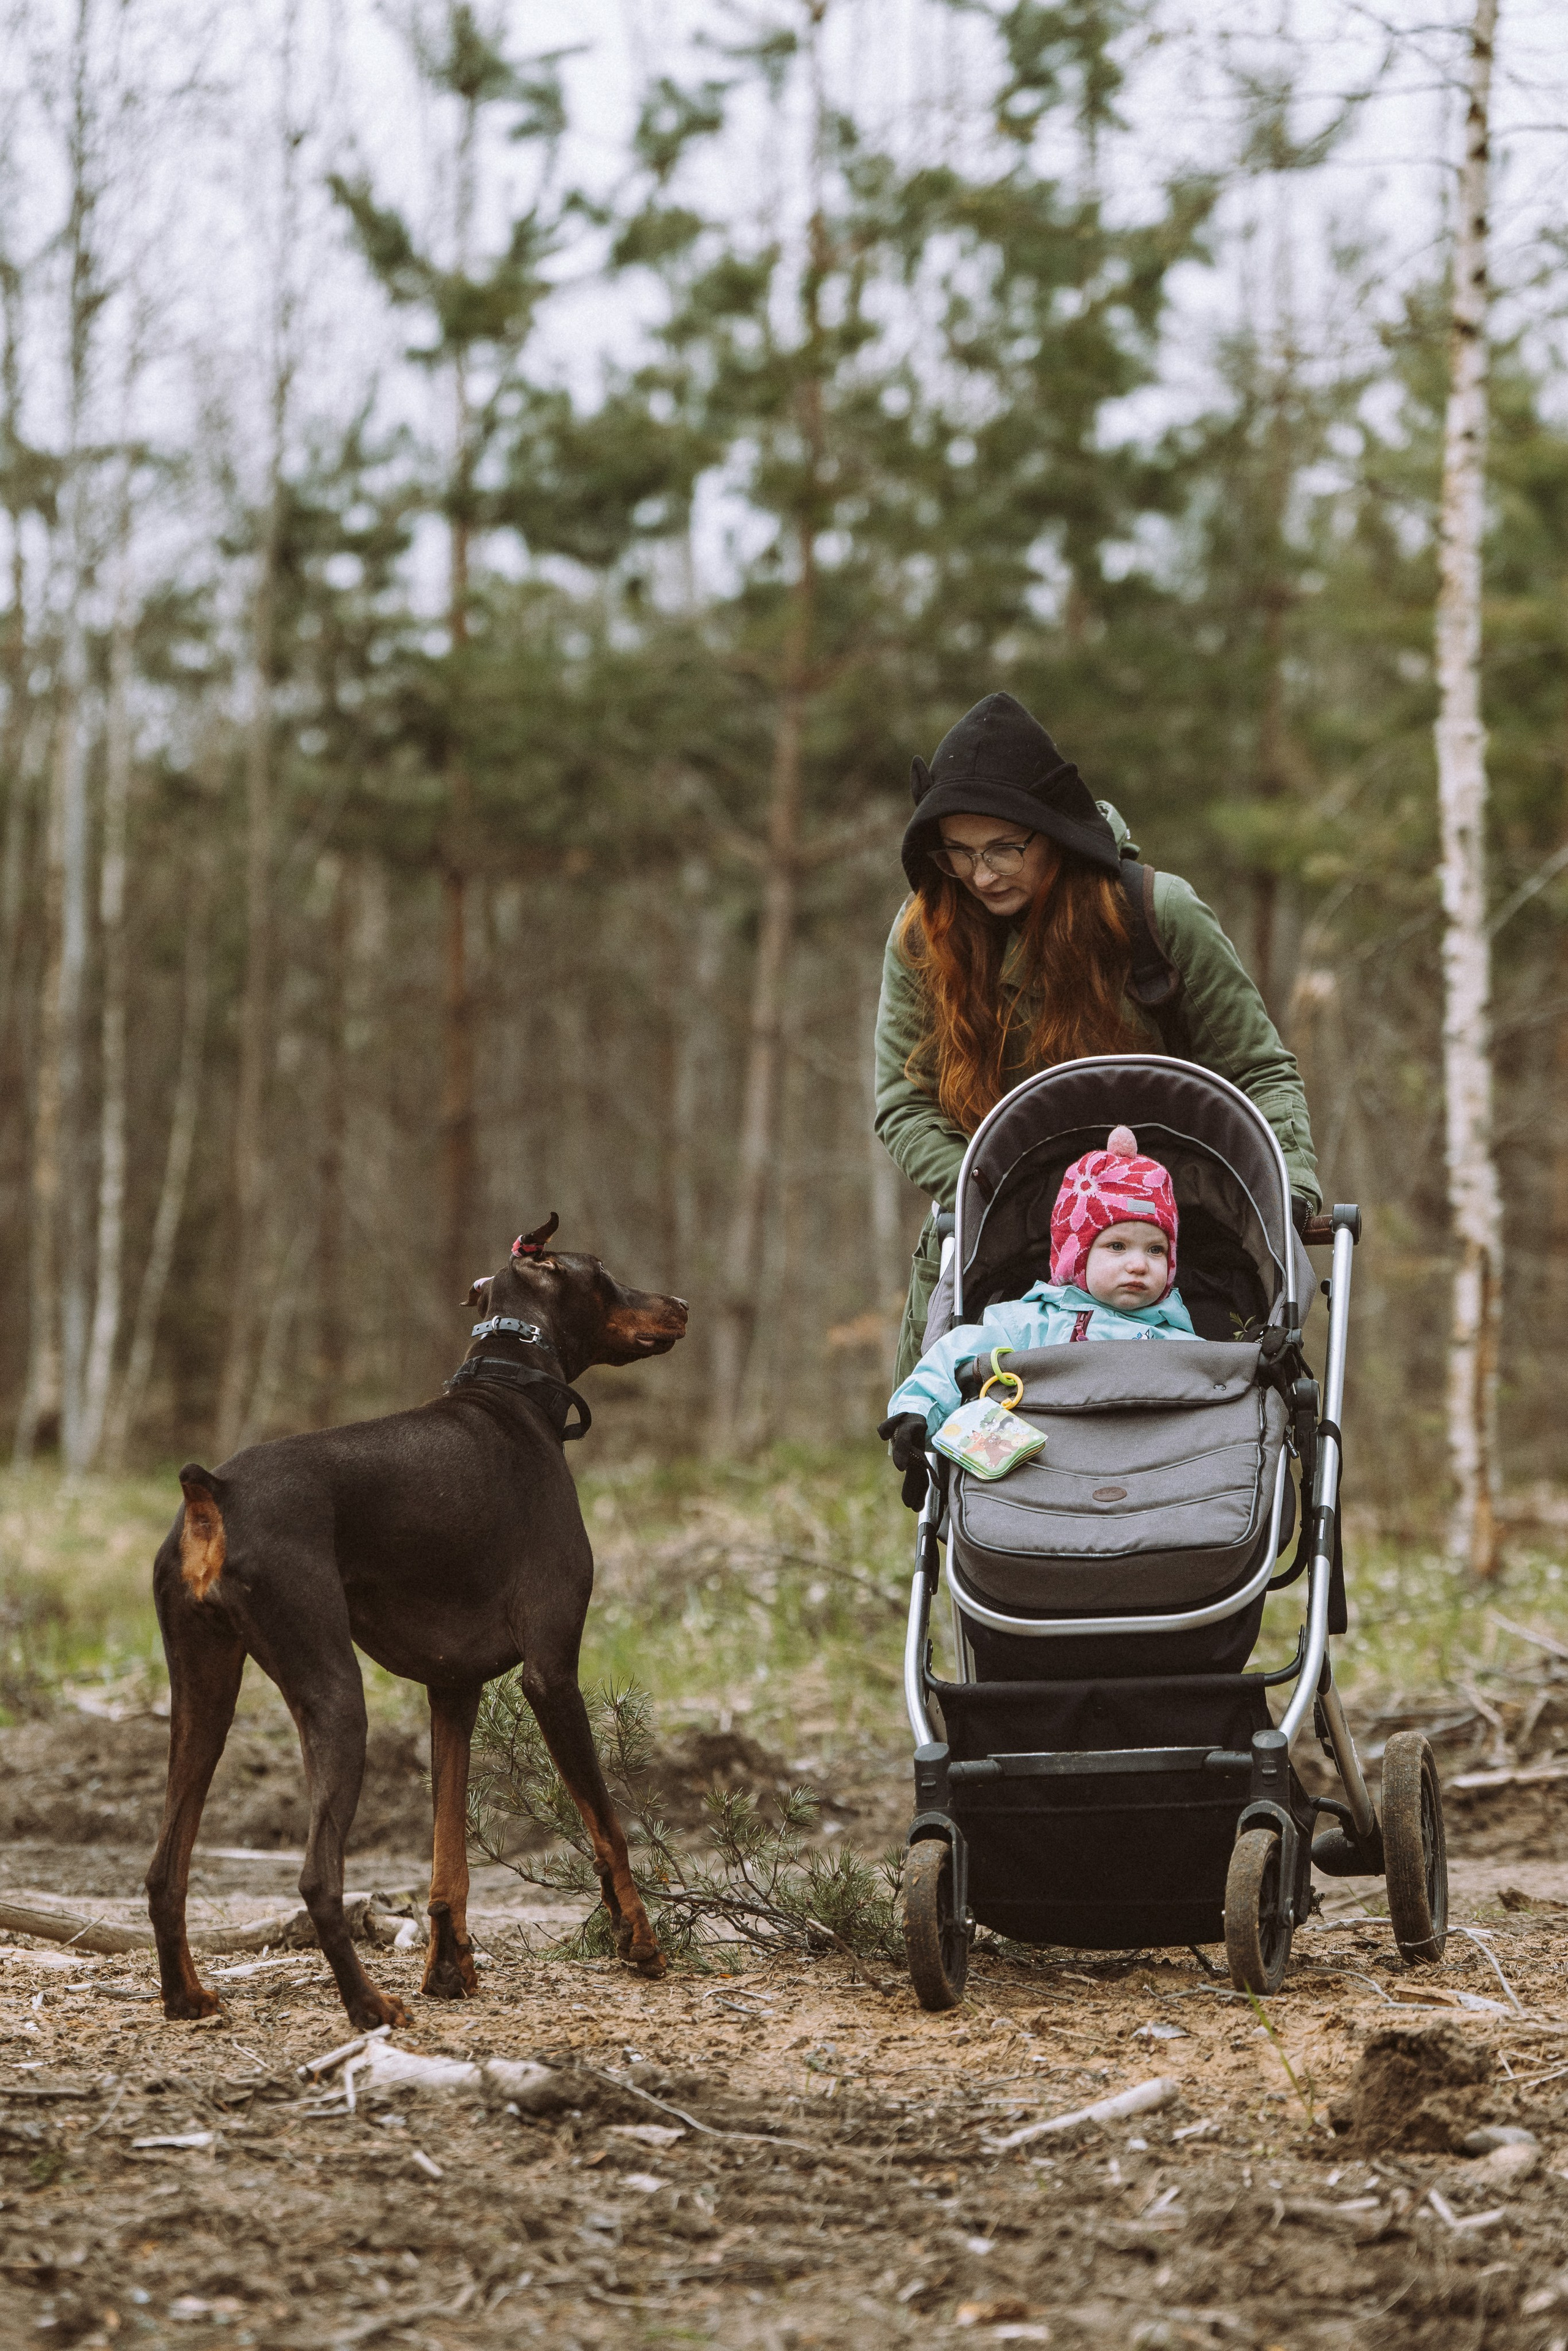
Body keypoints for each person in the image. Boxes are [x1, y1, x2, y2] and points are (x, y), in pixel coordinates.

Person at [875, 691, 1319, 1392]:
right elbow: (905, 1103)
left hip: (1167, 1237)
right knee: (965, 1475)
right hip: (1004, 1237)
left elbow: (1258, 1072)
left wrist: (1282, 1193)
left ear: (1051, 829)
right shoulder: (924, 932)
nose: (980, 874)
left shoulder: (1154, 914)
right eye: (957, 852)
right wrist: (998, 1194)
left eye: (1002, 848)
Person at [880, 1128, 1197, 1470]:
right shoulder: (1030, 1323)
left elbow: (1225, 1389)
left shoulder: (1182, 1343)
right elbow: (953, 1353)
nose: (1138, 1265)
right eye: (1117, 1246)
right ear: (1076, 1256)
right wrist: (915, 1410)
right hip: (1042, 1479)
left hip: (1150, 1478)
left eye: (1156, 1250)